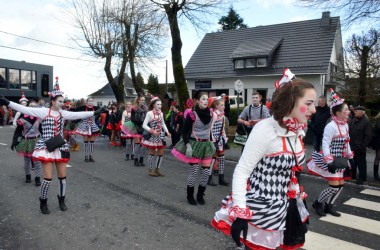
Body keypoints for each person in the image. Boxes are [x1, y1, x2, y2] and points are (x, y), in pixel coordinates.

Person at [212, 70, 314, 249]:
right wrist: (241, 212)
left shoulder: (299, 129)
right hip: (261, 208)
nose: (314, 109)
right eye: (309, 103)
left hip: (286, 207)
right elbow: (242, 170)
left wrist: (297, 197)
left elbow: (293, 170)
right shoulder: (265, 129)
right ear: (291, 102)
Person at [0, 77, 102, 215]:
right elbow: (24, 109)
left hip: (60, 146)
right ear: (53, 101)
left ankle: (61, 199)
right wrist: (8, 102)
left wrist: (95, 112)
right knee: (47, 179)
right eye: (60, 101)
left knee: (63, 178)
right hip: (46, 147)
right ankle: (43, 201)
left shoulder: (63, 113)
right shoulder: (43, 111)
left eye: (63, 100)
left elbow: (77, 114)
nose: (62, 103)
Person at [307, 89, 354, 217]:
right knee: (333, 186)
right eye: (346, 109)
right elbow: (325, 144)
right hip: (332, 159)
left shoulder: (345, 125)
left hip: (341, 159)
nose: (348, 111)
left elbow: (347, 142)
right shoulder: (331, 126)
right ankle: (318, 202)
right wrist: (329, 161)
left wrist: (350, 157)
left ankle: (329, 206)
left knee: (340, 184)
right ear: (338, 113)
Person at [172, 91, 216, 206]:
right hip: (194, 145)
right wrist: (187, 145)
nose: (206, 101)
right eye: (203, 99)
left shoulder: (211, 113)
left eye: (207, 99)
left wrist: (212, 142)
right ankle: (190, 195)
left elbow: (210, 129)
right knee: (194, 171)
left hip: (206, 145)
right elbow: (184, 132)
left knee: (206, 172)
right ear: (197, 101)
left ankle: (200, 195)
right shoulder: (192, 114)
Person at [11, 101, 42, 186]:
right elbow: (18, 131)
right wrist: (15, 141)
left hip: (36, 141)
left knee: (37, 161)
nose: (33, 108)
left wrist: (47, 141)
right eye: (31, 107)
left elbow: (42, 130)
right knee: (27, 160)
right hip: (26, 141)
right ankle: (28, 176)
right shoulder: (22, 118)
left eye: (35, 107)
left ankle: (37, 178)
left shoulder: (38, 118)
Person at [141, 97, 171, 177]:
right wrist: (152, 131)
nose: (159, 106)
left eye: (160, 104)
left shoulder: (161, 113)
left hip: (160, 136)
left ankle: (157, 169)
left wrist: (167, 132)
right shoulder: (149, 113)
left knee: (161, 153)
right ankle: (150, 170)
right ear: (154, 105)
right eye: (158, 104)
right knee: (152, 153)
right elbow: (144, 125)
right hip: (152, 136)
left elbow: (163, 124)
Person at [207, 97, 229, 186]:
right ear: (216, 106)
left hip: (220, 139)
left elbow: (222, 129)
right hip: (214, 140)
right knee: (213, 158)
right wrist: (212, 140)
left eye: (223, 105)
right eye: (221, 105)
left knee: (222, 158)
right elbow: (210, 128)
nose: (223, 107)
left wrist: (225, 138)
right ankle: (209, 177)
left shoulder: (223, 116)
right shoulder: (214, 115)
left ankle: (221, 178)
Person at [72, 98, 102, 162]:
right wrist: (68, 108)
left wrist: (96, 118)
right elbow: (75, 110)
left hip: (93, 126)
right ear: (87, 102)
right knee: (86, 142)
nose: (90, 102)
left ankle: (91, 156)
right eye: (89, 101)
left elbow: (101, 111)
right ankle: (86, 156)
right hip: (85, 126)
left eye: (92, 101)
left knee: (91, 142)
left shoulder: (96, 108)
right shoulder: (83, 107)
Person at [348, 105, 372, 184]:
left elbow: (368, 135)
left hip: (360, 146)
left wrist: (363, 145)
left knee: (361, 163)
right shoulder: (353, 120)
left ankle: (362, 177)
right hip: (352, 145)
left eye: (357, 111)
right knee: (353, 161)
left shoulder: (366, 122)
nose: (355, 112)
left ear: (362, 112)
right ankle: (353, 175)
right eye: (355, 111)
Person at [128, 94, 148, 166]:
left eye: (144, 100)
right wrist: (142, 122)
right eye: (142, 100)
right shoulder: (134, 108)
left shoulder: (146, 108)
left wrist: (146, 124)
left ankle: (141, 160)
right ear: (138, 100)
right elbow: (133, 119)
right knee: (137, 144)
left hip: (144, 128)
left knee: (144, 145)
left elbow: (147, 117)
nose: (143, 101)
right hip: (136, 127)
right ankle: (136, 160)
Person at [372, 112, 380, 180]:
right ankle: (376, 175)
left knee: (377, 158)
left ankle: (376, 175)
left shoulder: (377, 122)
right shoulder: (378, 122)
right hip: (379, 143)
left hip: (378, 142)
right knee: (377, 157)